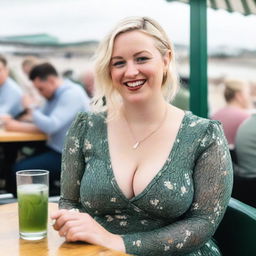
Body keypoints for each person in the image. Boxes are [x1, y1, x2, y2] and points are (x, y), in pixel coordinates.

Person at [51, 17, 233, 255]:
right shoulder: (86, 126)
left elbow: (203, 222)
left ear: (166, 60)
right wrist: (71, 223)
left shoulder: (204, 135)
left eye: (142, 58)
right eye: (118, 63)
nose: (130, 71)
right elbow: (70, 202)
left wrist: (120, 243)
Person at [1, 62, 90, 196]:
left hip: (69, 155)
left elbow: (50, 125)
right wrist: (19, 121)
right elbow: (42, 119)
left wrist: (31, 107)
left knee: (18, 171)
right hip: (56, 148)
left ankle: (22, 203)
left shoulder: (71, 94)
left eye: (41, 89)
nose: (39, 93)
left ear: (51, 81)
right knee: (11, 163)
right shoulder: (55, 94)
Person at [211, 79, 251, 146]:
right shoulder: (245, 118)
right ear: (239, 96)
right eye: (248, 93)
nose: (249, 97)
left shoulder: (215, 115)